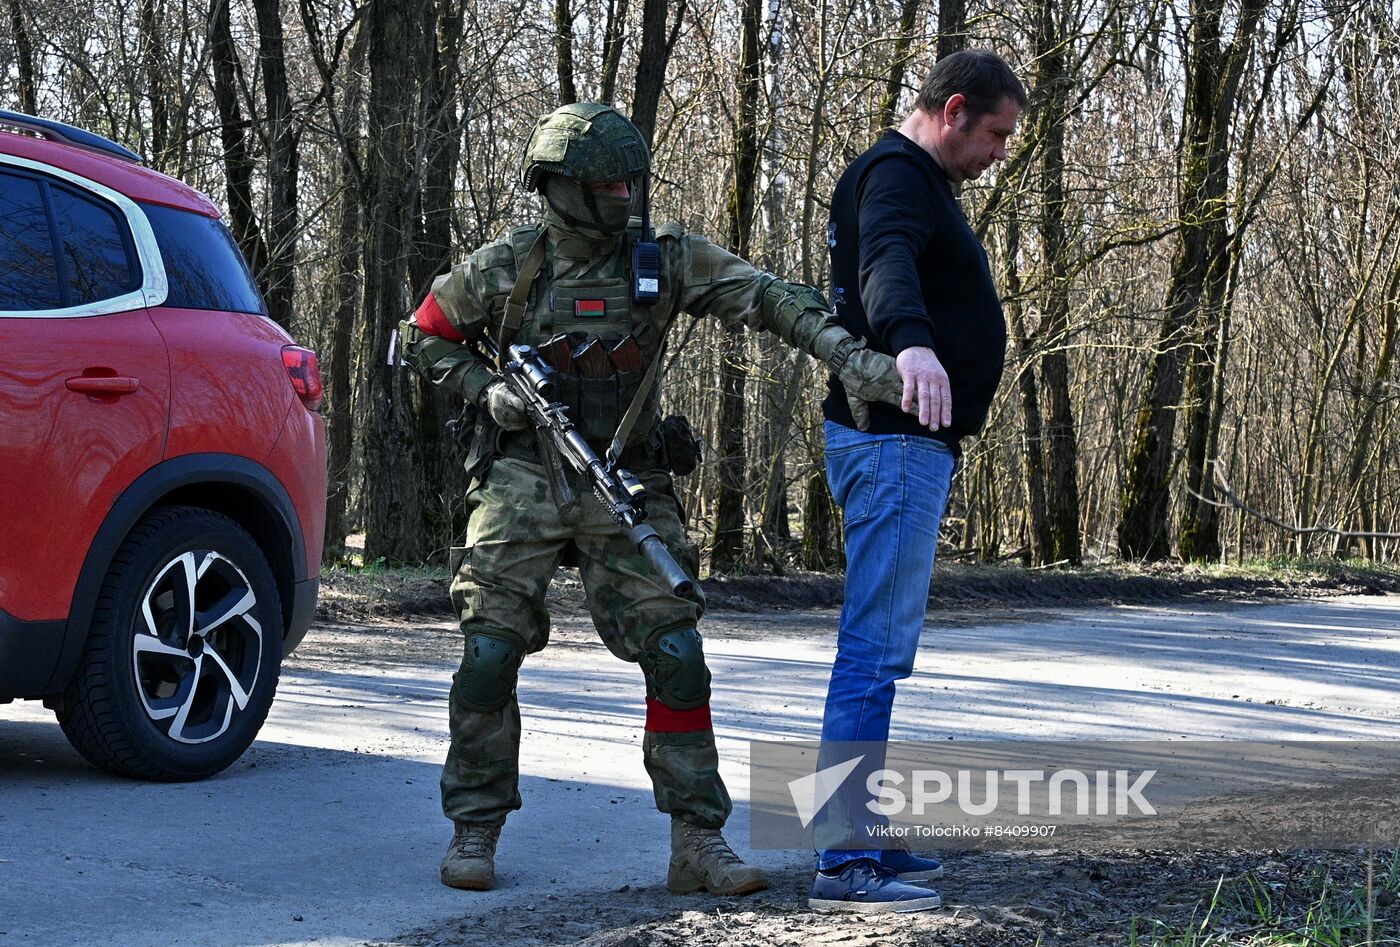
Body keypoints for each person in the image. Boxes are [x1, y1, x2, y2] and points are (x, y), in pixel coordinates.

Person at [399, 102, 909, 895]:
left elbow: (767, 295)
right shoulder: (509, 265)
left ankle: (697, 840)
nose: (623, 195)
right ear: (560, 187)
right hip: (524, 475)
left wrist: (848, 356)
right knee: (489, 651)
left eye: (630, 180)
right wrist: (484, 389)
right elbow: (421, 333)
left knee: (677, 653)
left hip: (627, 477)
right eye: (606, 182)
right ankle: (475, 823)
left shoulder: (664, 259)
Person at [807, 50, 1027, 913]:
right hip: (893, 443)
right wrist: (913, 341)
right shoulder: (898, 175)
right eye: (998, 134)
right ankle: (843, 856)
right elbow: (885, 261)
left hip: (904, 447)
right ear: (956, 109)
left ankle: (862, 827)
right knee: (872, 649)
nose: (1001, 152)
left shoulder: (909, 176)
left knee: (881, 653)